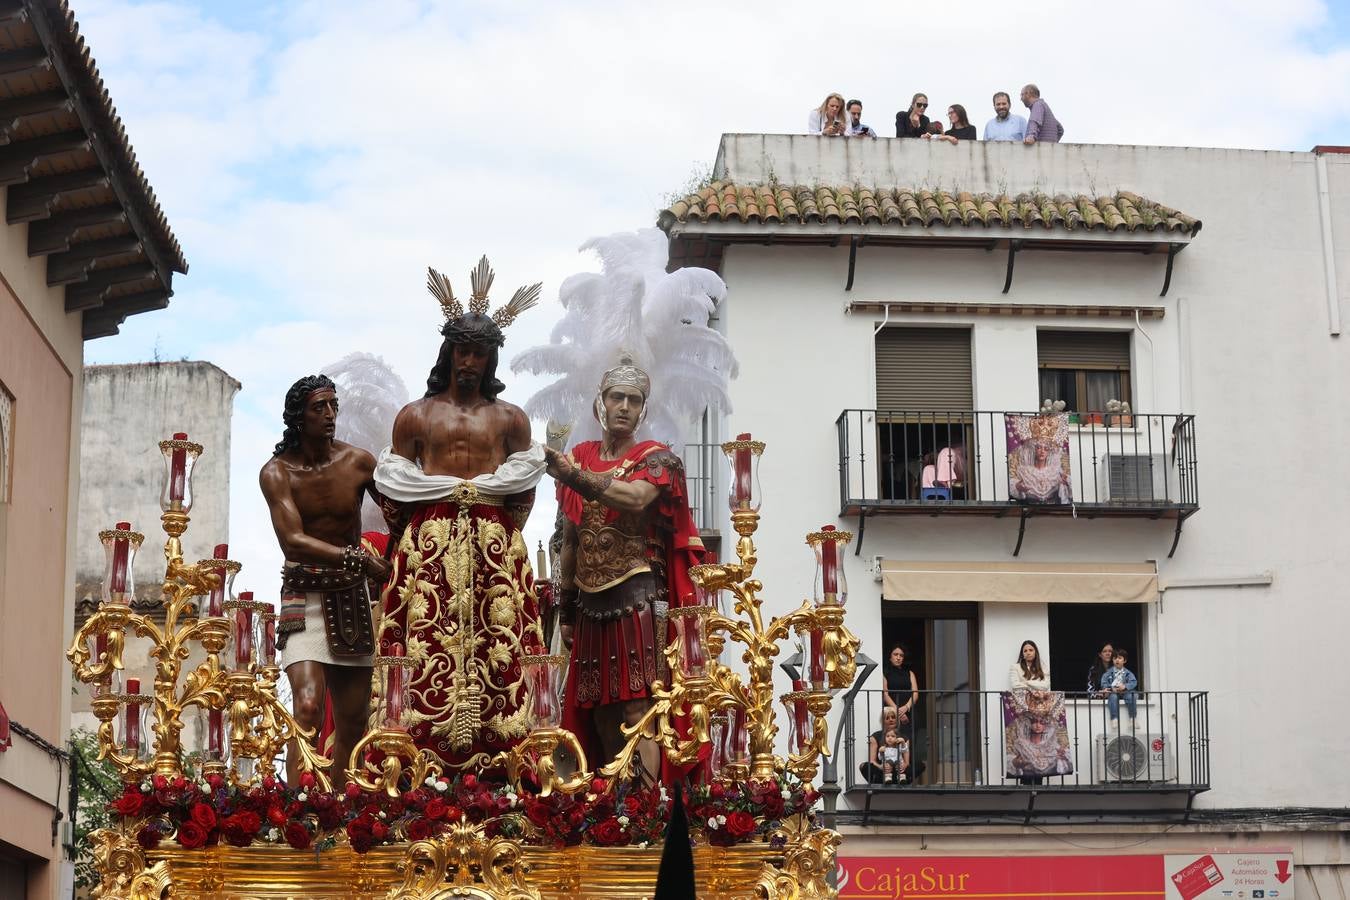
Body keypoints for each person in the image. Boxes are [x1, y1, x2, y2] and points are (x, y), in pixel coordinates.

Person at [374, 260, 546, 768]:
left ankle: (508, 750)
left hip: (494, 544)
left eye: (480, 352)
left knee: (502, 641)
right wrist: (419, 541)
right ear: (448, 352)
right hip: (428, 543)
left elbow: (522, 490)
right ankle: (408, 750)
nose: (470, 360)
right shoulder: (417, 415)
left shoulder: (510, 418)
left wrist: (501, 538)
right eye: (462, 350)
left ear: (492, 358)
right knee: (423, 642)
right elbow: (393, 490)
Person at [550, 355, 705, 784]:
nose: (624, 406)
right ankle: (612, 809)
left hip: (638, 597)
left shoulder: (657, 459)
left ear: (643, 410)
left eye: (633, 401)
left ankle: (644, 809)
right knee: (598, 710)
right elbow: (571, 538)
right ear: (600, 402)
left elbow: (635, 498)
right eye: (616, 397)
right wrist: (565, 609)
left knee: (641, 707)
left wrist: (575, 476)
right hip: (589, 602)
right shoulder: (579, 456)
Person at [261, 374, 391, 787]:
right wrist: (359, 559)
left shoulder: (358, 462)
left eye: (333, 406)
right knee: (308, 706)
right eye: (320, 408)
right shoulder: (277, 472)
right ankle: (298, 806)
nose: (330, 415)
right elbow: (293, 541)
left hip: (350, 599)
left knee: (353, 720)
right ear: (299, 417)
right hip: (304, 595)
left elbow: (400, 515)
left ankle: (335, 805)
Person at [1009, 639, 1052, 783]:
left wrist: (1026, 683)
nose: (1028, 653)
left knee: (1039, 744)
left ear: (1035, 652)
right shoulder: (1015, 667)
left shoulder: (1042, 667)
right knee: (1025, 742)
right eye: (1025, 650)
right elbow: (1015, 686)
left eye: (1030, 650)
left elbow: (1045, 686)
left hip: (1039, 710)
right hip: (1023, 711)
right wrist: (1034, 687)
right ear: (1022, 654)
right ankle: (1025, 780)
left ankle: (1038, 779)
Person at [883, 644, 919, 726]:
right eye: (895, 654)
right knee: (894, 737)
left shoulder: (910, 673)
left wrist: (906, 707)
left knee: (911, 737)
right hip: (892, 712)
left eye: (901, 655)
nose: (898, 657)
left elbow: (915, 693)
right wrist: (899, 712)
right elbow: (885, 695)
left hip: (910, 709)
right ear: (890, 657)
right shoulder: (885, 673)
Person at [1102, 648, 1139, 722]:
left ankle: (1132, 718)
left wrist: (1125, 686)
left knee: (1131, 695)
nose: (1117, 660)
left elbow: (1134, 682)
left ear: (1124, 660)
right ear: (1112, 660)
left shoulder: (1128, 673)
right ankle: (1114, 718)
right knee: (1113, 697)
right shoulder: (1108, 673)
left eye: (1120, 658)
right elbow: (1104, 681)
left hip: (1125, 691)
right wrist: (1110, 688)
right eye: (1115, 658)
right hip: (1113, 692)